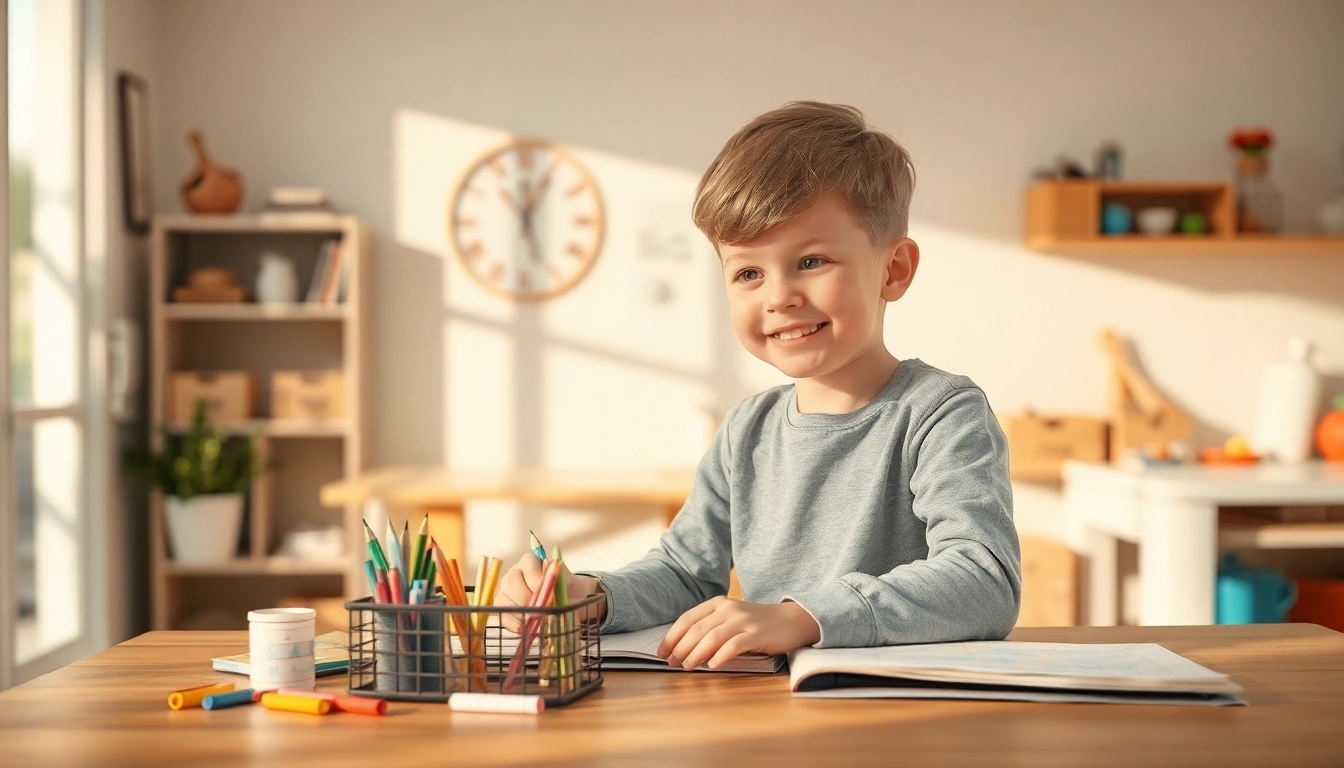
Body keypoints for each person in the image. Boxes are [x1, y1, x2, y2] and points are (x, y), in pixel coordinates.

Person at [498, 101, 1020, 670]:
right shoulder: (747, 429)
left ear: (893, 270)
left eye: (812, 261)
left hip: (899, 713)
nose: (779, 297)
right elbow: (684, 573)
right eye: (749, 272)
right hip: (765, 710)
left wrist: (802, 617)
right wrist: (593, 597)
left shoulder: (941, 413)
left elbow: (982, 578)